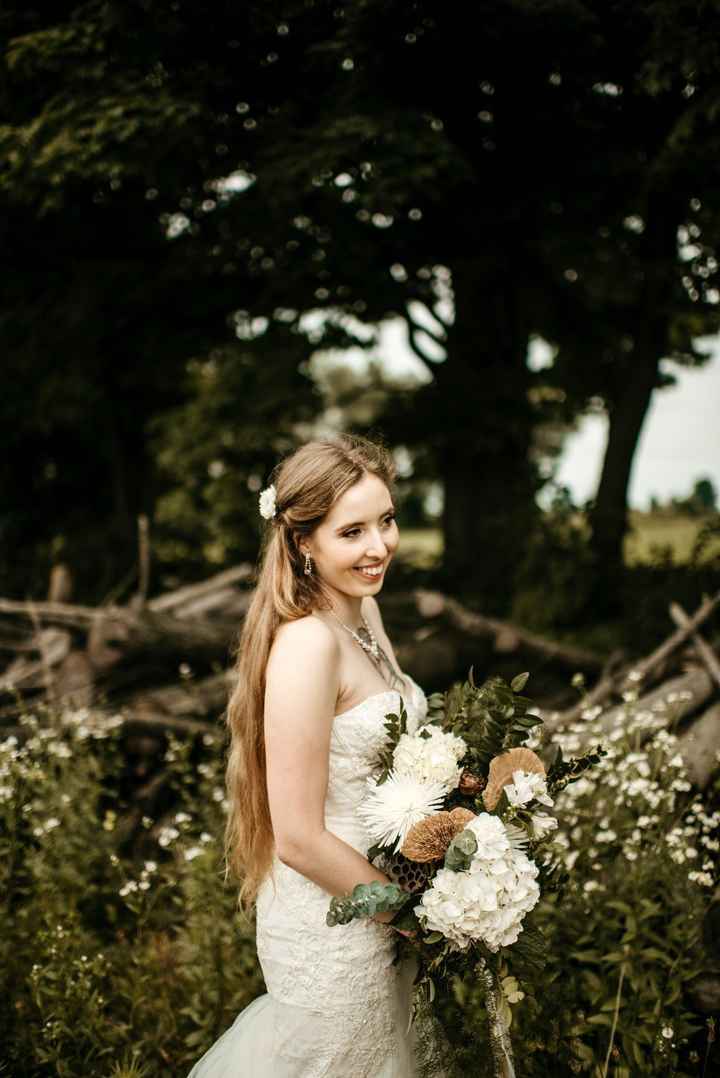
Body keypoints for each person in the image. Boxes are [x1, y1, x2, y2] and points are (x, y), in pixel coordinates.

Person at [187, 434, 439, 1078]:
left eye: (386, 521)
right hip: (334, 918)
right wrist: (414, 915)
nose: (379, 546)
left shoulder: (365, 613)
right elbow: (296, 836)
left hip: (382, 892)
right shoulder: (307, 645)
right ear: (304, 542)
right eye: (351, 531)